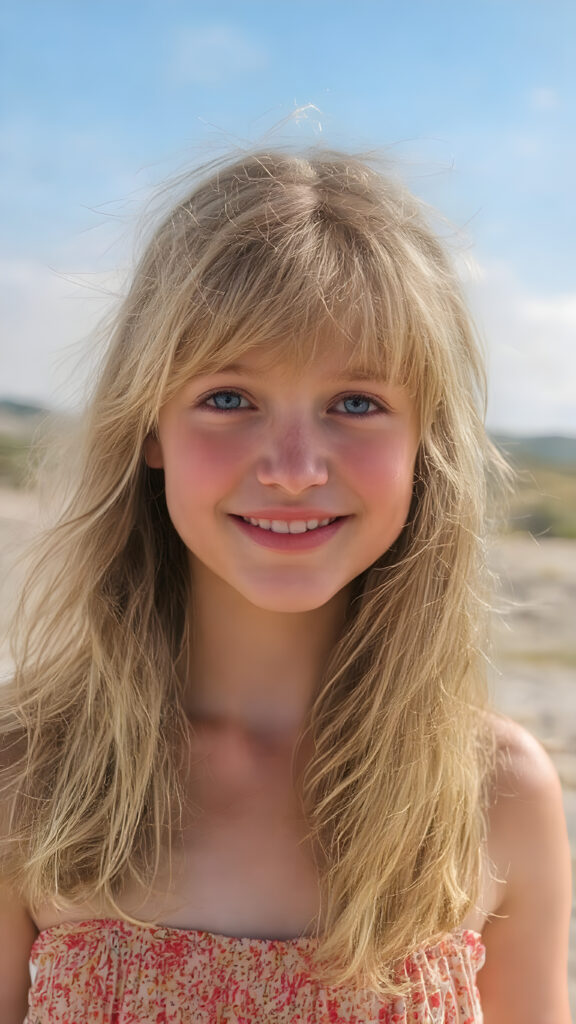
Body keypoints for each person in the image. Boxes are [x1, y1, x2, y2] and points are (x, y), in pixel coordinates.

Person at [0, 148, 571, 1023]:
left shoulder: (496, 792)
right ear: (148, 428)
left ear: (426, 443)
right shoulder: (25, 773)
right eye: (230, 398)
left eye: (355, 402)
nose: (297, 471)